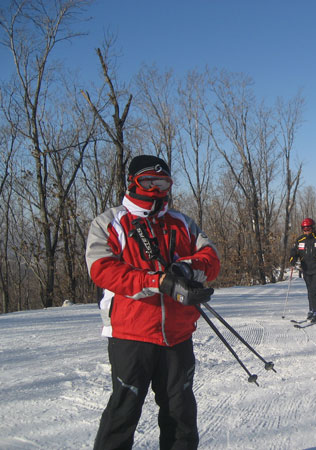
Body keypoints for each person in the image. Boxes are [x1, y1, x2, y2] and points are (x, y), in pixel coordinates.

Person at [85, 155, 221, 450]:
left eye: (162, 182)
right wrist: (157, 282)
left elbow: (210, 258)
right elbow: (102, 270)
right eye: (148, 181)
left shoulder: (182, 223)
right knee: (123, 413)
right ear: (133, 182)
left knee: (180, 414)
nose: (156, 188)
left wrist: (186, 269)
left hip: (177, 335)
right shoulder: (109, 222)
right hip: (130, 334)